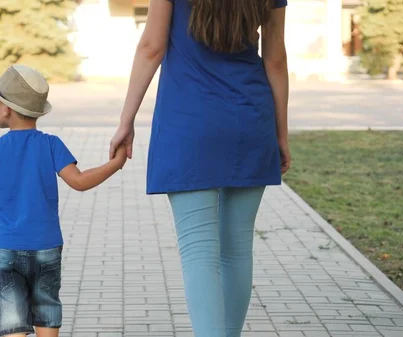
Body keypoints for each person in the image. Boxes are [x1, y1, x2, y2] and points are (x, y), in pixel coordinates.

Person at [109, 0, 290, 336]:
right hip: (250, 119)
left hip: (188, 122)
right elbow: (275, 60)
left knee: (199, 253)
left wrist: (126, 120)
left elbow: (152, 47)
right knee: (236, 249)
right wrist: (280, 133)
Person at [0, 64, 127, 337]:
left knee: (12, 319)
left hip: (5, 248)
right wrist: (117, 163)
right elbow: (79, 181)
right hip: (46, 248)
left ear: (6, 109)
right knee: (46, 313)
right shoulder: (51, 144)